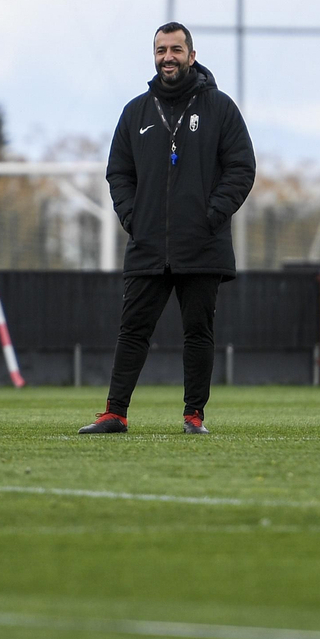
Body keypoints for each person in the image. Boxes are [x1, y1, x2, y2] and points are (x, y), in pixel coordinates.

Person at [78, 22, 255, 435]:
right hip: (148, 243)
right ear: (154, 56)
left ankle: (194, 416)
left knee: (198, 332)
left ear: (192, 55)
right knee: (132, 331)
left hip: (202, 244)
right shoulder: (135, 111)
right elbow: (118, 171)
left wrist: (212, 215)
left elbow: (241, 168)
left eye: (176, 49)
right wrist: (132, 217)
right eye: (161, 50)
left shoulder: (220, 108)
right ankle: (114, 413)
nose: (168, 57)